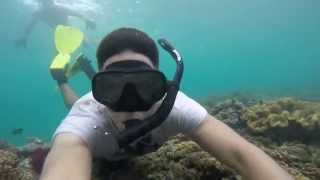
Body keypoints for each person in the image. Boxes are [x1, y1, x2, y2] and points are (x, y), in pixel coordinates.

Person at [40, 28, 294, 180]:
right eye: (112, 88)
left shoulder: (176, 106)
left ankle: (91, 72)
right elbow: (65, 156)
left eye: (145, 86)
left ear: (163, 87)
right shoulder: (85, 119)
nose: (132, 106)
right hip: (86, 111)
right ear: (100, 91)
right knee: (73, 103)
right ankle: (62, 79)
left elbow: (242, 155)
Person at [16, 0, 96, 47]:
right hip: (60, 33)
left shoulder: (59, 8)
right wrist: (25, 37)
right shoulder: (39, 13)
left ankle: (91, 43)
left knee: (85, 43)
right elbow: (31, 25)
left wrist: (87, 19)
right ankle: (90, 42)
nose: (46, 3)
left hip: (68, 29)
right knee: (79, 44)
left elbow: (76, 13)